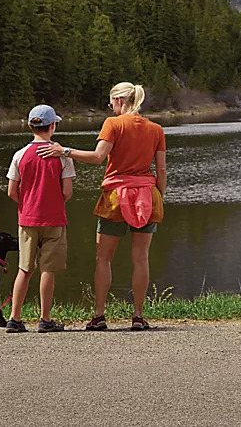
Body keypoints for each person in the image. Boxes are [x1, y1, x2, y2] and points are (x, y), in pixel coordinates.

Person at [40, 82, 166, 331]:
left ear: (119, 101)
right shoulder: (156, 129)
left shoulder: (113, 124)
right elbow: (161, 169)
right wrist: (157, 196)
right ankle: (138, 316)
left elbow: (98, 157)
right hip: (146, 196)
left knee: (103, 259)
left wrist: (64, 151)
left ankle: (99, 316)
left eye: (111, 103)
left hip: (115, 198)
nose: (111, 108)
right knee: (141, 258)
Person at [4, 105, 75, 333]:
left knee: (24, 269)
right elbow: (67, 192)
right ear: (53, 126)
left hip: (27, 220)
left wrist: (27, 205)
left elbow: (11, 191)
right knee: (48, 270)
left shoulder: (20, 155)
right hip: (54, 220)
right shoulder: (61, 155)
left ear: (29, 126)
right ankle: (45, 319)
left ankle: (14, 318)